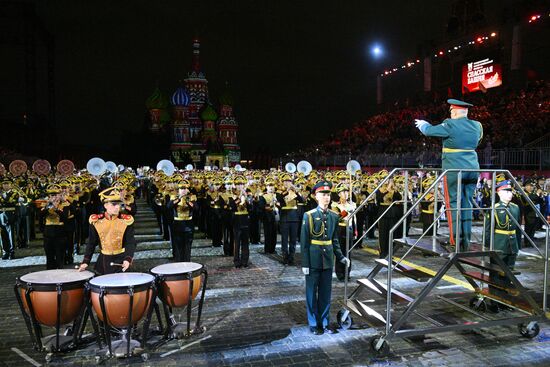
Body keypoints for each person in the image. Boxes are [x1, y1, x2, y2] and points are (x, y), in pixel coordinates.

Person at [415, 99, 483, 251]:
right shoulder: (477, 125)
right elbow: (476, 142)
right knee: (467, 204)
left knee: (453, 204)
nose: (450, 113)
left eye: (451, 111)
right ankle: (466, 241)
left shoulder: (450, 124)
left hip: (453, 168)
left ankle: (456, 241)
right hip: (472, 169)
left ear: (455, 111)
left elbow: (429, 131)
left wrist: (423, 124)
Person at [301, 181, 350, 335]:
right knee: (311, 293)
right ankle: (314, 323)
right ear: (316, 196)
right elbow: (304, 243)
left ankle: (325, 322)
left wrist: (341, 257)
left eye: (328, 194)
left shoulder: (334, 216)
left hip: (328, 259)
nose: (326, 197)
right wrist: (305, 263)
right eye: (323, 194)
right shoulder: (309, 216)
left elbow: (334, 240)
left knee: (325, 293)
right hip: (313, 259)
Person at [78, 187, 136, 275]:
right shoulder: (96, 221)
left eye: (119, 204)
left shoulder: (126, 221)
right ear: (105, 205)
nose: (117, 207)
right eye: (113, 204)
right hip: (103, 261)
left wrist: (128, 259)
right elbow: (91, 243)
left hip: (121, 260)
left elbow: (130, 242)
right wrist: (86, 261)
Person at [485, 180, 521, 312]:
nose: (509, 194)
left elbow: (517, 228)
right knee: (495, 275)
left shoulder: (515, 208)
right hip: (499, 245)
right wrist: (488, 248)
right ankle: (494, 302)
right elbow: (488, 231)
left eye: (510, 191)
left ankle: (505, 301)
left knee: (508, 275)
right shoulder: (494, 208)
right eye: (506, 191)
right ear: (499, 192)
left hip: (512, 246)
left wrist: (517, 245)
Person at [40, 184, 69, 269]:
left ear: (60, 195)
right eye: (52, 195)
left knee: (60, 255)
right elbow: (40, 216)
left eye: (56, 195)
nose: (54, 197)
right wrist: (48, 206)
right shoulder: (45, 205)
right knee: (49, 256)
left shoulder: (65, 204)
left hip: (60, 233)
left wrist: (57, 209)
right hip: (48, 233)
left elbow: (65, 218)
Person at [167, 180, 196, 262]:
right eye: (181, 188)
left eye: (185, 188)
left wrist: (188, 201)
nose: (183, 190)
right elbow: (169, 206)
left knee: (187, 246)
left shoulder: (191, 197)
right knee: (178, 246)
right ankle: (179, 263)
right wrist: (179, 198)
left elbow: (196, 208)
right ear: (178, 189)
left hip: (188, 224)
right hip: (178, 224)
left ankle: (187, 263)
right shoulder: (174, 197)